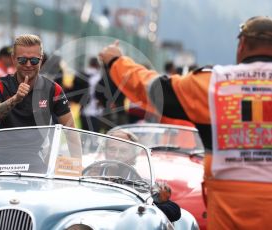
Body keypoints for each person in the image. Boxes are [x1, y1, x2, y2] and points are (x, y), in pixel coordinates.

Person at [99, 16, 272, 229]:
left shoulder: (213, 84)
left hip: (230, 215)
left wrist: (116, 62)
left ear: (242, 45)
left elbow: (152, 89)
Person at [0, 34, 75, 129]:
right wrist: (15, 99)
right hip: (3, 144)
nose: (28, 64)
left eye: (34, 60)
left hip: (40, 145)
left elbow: (71, 129)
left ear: (41, 60)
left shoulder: (54, 89)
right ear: (13, 59)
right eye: (22, 60)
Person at [106, 129, 181, 223]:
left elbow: (174, 210)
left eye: (123, 151)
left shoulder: (141, 184)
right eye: (112, 149)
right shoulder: (89, 176)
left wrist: (147, 210)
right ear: (105, 151)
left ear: (133, 156)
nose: (116, 155)